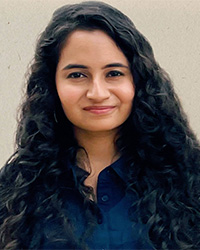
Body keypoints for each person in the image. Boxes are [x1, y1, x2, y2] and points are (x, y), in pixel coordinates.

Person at [0, 1, 200, 249]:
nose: (97, 92)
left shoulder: (190, 179)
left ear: (138, 80)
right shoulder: (16, 189)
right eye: (77, 75)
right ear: (52, 85)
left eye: (114, 73)